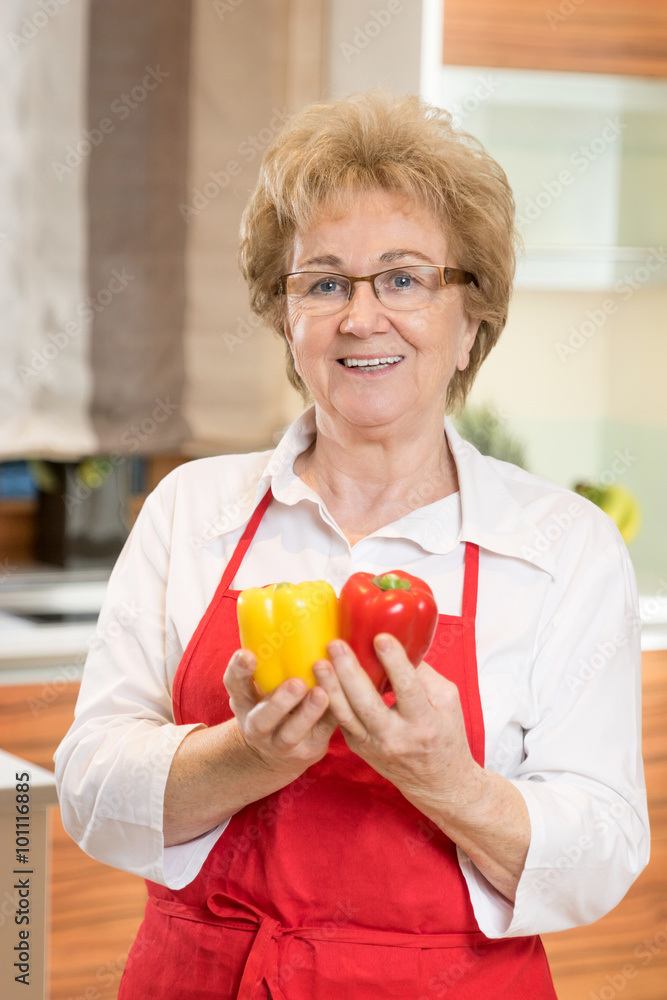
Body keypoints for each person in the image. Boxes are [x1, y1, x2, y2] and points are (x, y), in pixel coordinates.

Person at [54, 91, 649, 999]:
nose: (361, 316)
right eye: (324, 281)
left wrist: (450, 780)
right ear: (287, 322)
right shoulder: (191, 511)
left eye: (405, 278)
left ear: (471, 323)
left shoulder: (562, 546)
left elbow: (602, 855)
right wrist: (244, 757)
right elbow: (90, 793)